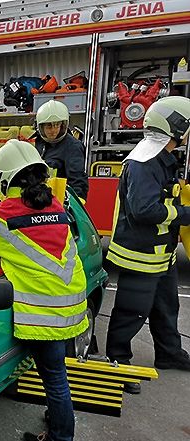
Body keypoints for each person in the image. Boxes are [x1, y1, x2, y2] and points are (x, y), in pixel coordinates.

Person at [0, 139, 88, 441]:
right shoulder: (56, 206)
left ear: (4, 180)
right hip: (71, 304)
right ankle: (59, 418)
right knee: (57, 376)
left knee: (55, 379)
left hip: (42, 313)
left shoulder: (2, 218)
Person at [106, 96, 190, 394]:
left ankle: (168, 353)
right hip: (140, 254)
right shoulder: (144, 163)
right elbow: (143, 210)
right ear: (177, 127)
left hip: (160, 255)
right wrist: (183, 215)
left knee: (167, 306)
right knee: (131, 311)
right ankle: (118, 362)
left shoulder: (161, 157)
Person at [34, 100, 88, 201]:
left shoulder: (73, 147)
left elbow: (78, 181)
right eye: (49, 126)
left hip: (61, 203)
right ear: (40, 127)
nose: (53, 130)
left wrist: (75, 206)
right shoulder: (39, 143)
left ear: (63, 125)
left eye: (57, 125)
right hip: (40, 200)